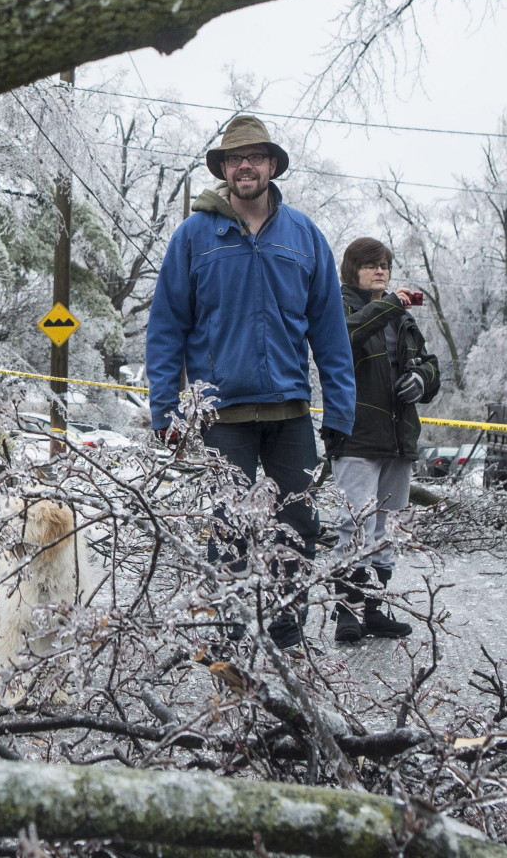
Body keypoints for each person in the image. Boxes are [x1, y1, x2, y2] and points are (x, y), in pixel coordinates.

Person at [145, 115, 356, 648]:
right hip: (221, 417)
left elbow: (330, 332)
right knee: (228, 531)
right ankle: (229, 637)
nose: (245, 166)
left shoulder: (305, 236)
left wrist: (341, 411)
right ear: (223, 168)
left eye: (256, 157)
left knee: (298, 528)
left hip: (290, 413)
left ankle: (287, 634)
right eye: (235, 158)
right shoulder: (195, 236)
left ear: (271, 166)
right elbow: (167, 327)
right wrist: (166, 410)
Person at [330, 237, 438, 642]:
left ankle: (374, 609)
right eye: (371, 264)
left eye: (385, 265)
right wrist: (392, 303)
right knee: (353, 526)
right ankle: (345, 612)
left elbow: (430, 365)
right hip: (355, 434)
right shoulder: (339, 306)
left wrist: (421, 378)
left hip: (397, 438)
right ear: (352, 268)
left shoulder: (402, 319)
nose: (380, 271)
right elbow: (343, 337)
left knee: (386, 529)